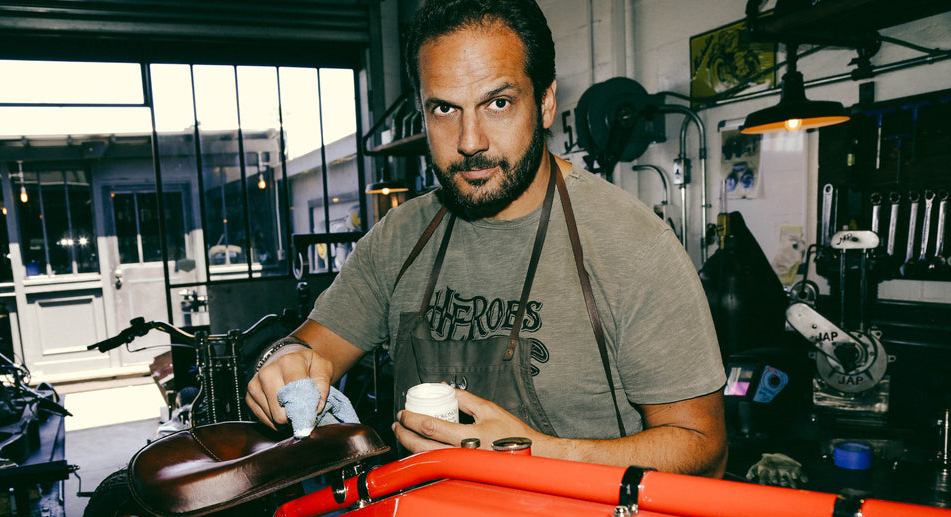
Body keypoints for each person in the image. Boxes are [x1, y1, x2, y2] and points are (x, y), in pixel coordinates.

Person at [247, 0, 728, 476]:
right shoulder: (400, 238)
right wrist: (284, 363)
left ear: (544, 103)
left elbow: (703, 449)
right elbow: (308, 350)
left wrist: (532, 452)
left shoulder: (633, 246)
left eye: (498, 103)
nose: (470, 140)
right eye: (444, 109)